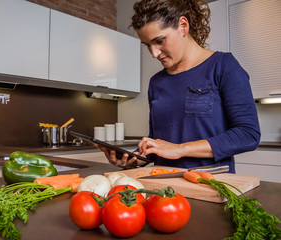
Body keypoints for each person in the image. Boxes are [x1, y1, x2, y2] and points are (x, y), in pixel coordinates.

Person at [98, 0, 260, 173]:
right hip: (164, 190)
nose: (154, 53)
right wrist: (135, 159)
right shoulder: (156, 82)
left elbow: (247, 134)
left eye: (159, 41)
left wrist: (180, 149)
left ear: (183, 26)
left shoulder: (223, 66)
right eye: (147, 45)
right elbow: (158, 143)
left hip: (212, 185)